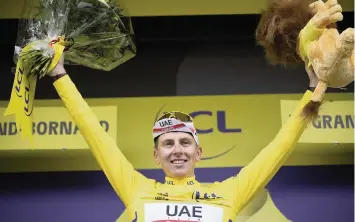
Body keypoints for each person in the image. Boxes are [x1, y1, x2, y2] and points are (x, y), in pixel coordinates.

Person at [48, 54, 319, 222]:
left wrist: (313, 91)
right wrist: (59, 74)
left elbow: (280, 147)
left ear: (198, 153)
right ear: (156, 156)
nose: (177, 150)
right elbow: (93, 131)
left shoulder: (228, 193)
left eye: (185, 142)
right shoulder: (136, 189)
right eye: (167, 143)